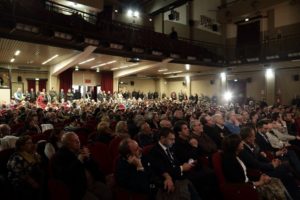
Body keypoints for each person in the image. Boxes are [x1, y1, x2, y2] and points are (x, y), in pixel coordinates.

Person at [222, 134, 288, 200]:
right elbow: (240, 182)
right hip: (246, 189)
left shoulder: (236, 156)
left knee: (275, 180)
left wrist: (261, 175)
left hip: (250, 182)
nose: (242, 143)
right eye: (240, 142)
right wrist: (260, 182)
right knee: (273, 184)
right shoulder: (230, 161)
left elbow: (246, 172)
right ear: (234, 145)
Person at [51, 132, 111, 200]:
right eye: (74, 140)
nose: (78, 142)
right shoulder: (59, 156)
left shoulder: (80, 150)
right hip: (78, 189)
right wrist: (78, 161)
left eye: (78, 139)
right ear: (67, 144)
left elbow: (96, 168)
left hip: (92, 183)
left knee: (108, 193)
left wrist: (89, 158)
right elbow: (66, 175)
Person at [7, 136, 44, 200]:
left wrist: (34, 153)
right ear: (22, 146)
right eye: (29, 143)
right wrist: (33, 182)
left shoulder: (32, 153)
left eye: (32, 142)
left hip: (33, 176)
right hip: (21, 181)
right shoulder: (16, 157)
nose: (32, 145)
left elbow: (39, 163)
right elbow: (20, 173)